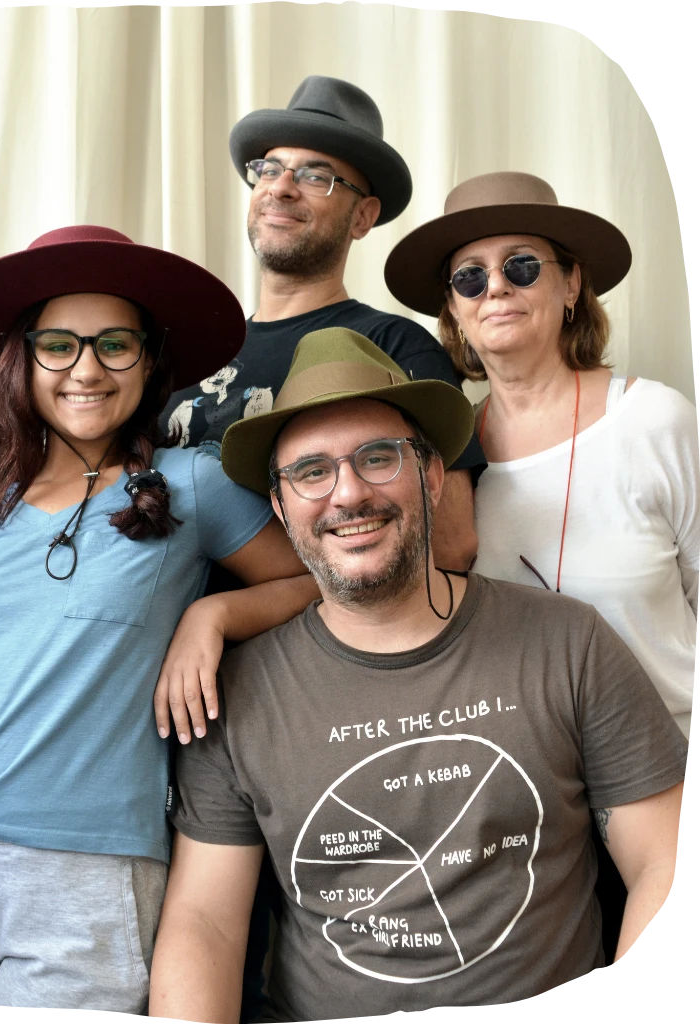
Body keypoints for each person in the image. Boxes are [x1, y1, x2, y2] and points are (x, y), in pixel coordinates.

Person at [0, 225, 317, 1010]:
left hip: (86, 874)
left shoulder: (194, 484)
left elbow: (315, 582)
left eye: (114, 344)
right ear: (24, 360)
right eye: (58, 344)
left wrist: (214, 614)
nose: (86, 369)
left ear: (149, 360)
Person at [148, 327, 686, 1020]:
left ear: (432, 476)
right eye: (311, 472)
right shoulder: (236, 690)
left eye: (378, 457)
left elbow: (660, 861)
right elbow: (206, 924)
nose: (347, 493)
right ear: (281, 507)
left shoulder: (568, 642)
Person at [384, 170, 696, 740]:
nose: (496, 288)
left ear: (572, 284)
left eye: (522, 265)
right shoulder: (447, 461)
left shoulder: (656, 420)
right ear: (454, 309)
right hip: (532, 784)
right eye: (469, 277)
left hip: (672, 754)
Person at [164, 75, 484, 572]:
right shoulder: (191, 351)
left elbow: (450, 544)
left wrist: (231, 612)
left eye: (317, 176)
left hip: (304, 645)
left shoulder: (393, 347)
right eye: (270, 169)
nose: (282, 188)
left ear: (362, 217)